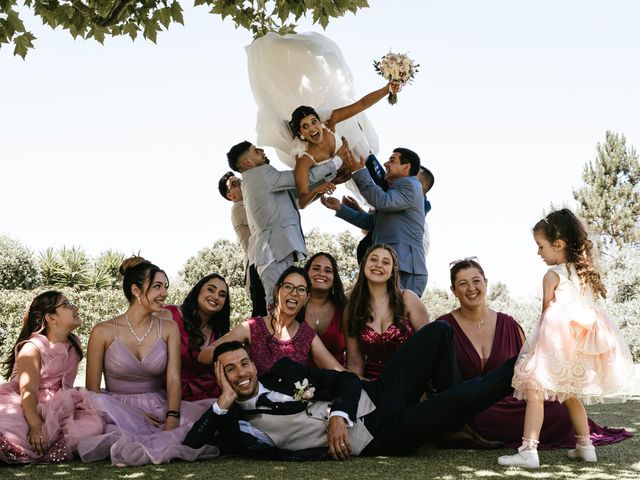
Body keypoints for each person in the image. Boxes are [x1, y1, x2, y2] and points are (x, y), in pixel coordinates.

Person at [183, 324, 518, 461]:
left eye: (244, 363)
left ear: (254, 364)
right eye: (230, 369)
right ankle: (530, 363)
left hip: (378, 393)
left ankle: (452, 426)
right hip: (377, 434)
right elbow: (192, 445)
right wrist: (224, 400)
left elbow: (346, 381)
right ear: (221, 377)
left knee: (440, 332)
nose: (241, 373)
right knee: (457, 401)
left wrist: (339, 415)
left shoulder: (284, 373)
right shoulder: (235, 424)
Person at [439, 257, 631, 449]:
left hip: (513, 403)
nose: (471, 288)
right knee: (477, 418)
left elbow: (531, 364)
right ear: (453, 290)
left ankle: (571, 436)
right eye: (463, 283)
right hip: (471, 406)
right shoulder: (443, 327)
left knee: (559, 409)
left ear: (486, 283)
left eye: (476, 281)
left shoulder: (509, 324)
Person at [498, 209, 637, 468]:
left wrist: (535, 348)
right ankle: (586, 446)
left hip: (557, 343)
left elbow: (545, 314)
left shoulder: (552, 276)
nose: (538, 253)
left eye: (541, 246)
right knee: (570, 394)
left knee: (535, 391)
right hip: (580, 344)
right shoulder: (584, 274)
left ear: (558, 244)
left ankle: (529, 450)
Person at [79, 256, 218, 466]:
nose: (164, 293)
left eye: (165, 287)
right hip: (114, 409)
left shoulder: (169, 327)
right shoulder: (102, 331)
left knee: (201, 426)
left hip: (159, 407)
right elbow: (92, 390)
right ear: (136, 290)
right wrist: (131, 414)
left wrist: (171, 418)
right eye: (157, 286)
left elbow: (173, 379)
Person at [226, 141, 340, 306]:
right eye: (255, 150)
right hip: (273, 253)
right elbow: (302, 178)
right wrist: (338, 162)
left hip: (276, 254)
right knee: (280, 308)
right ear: (248, 163)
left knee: (284, 305)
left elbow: (297, 195)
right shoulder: (260, 174)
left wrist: (331, 177)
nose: (261, 150)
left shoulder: (257, 182)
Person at [0, 291, 103, 464]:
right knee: (15, 432)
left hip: (62, 404)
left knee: (95, 424)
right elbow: (28, 392)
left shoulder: (74, 343)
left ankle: (55, 441)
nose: (75, 307)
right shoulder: (32, 348)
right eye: (67, 305)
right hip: (28, 405)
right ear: (50, 317)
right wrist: (34, 424)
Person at [322, 145, 427, 296]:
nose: (385, 164)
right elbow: (373, 223)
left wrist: (358, 171)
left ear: (406, 168)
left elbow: (382, 201)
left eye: (392, 160)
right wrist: (340, 208)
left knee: (399, 316)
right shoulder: (397, 191)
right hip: (394, 265)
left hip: (405, 269)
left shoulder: (409, 185)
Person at [199, 266, 343, 375]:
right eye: (288, 287)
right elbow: (204, 355)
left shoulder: (307, 335)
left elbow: (338, 370)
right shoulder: (252, 327)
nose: (294, 293)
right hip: (256, 409)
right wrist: (239, 354)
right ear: (276, 291)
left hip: (295, 410)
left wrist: (363, 382)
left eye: (301, 289)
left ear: (306, 298)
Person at [289, 82, 398, 209]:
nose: (312, 128)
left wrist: (387, 89)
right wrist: (317, 190)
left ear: (320, 122)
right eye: (305, 126)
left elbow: (361, 104)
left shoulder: (329, 123)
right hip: (352, 177)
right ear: (300, 133)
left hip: (364, 160)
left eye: (314, 122)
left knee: (391, 193)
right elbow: (302, 202)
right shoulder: (304, 158)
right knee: (377, 208)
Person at [344, 244, 429, 379]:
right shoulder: (352, 308)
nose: (378, 265)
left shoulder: (408, 298)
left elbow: (428, 350)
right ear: (364, 264)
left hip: (410, 382)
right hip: (372, 385)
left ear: (392, 271)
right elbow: (354, 362)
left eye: (385, 262)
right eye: (373, 259)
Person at [161, 273, 231, 401]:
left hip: (205, 393)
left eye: (222, 295)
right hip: (165, 392)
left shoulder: (219, 333)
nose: (215, 296)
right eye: (211, 289)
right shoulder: (170, 314)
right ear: (198, 290)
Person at [218, 171, 267, 317]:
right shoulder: (239, 207)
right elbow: (264, 220)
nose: (239, 183)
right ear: (230, 196)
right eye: (233, 184)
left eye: (238, 180)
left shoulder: (251, 203)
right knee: (261, 315)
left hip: (262, 262)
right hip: (256, 266)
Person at [303, 252, 348, 365]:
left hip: (336, 379)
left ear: (334, 278)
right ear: (306, 274)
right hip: (298, 379)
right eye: (316, 268)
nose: (322, 273)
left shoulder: (345, 309)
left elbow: (354, 358)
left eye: (328, 270)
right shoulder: (294, 305)